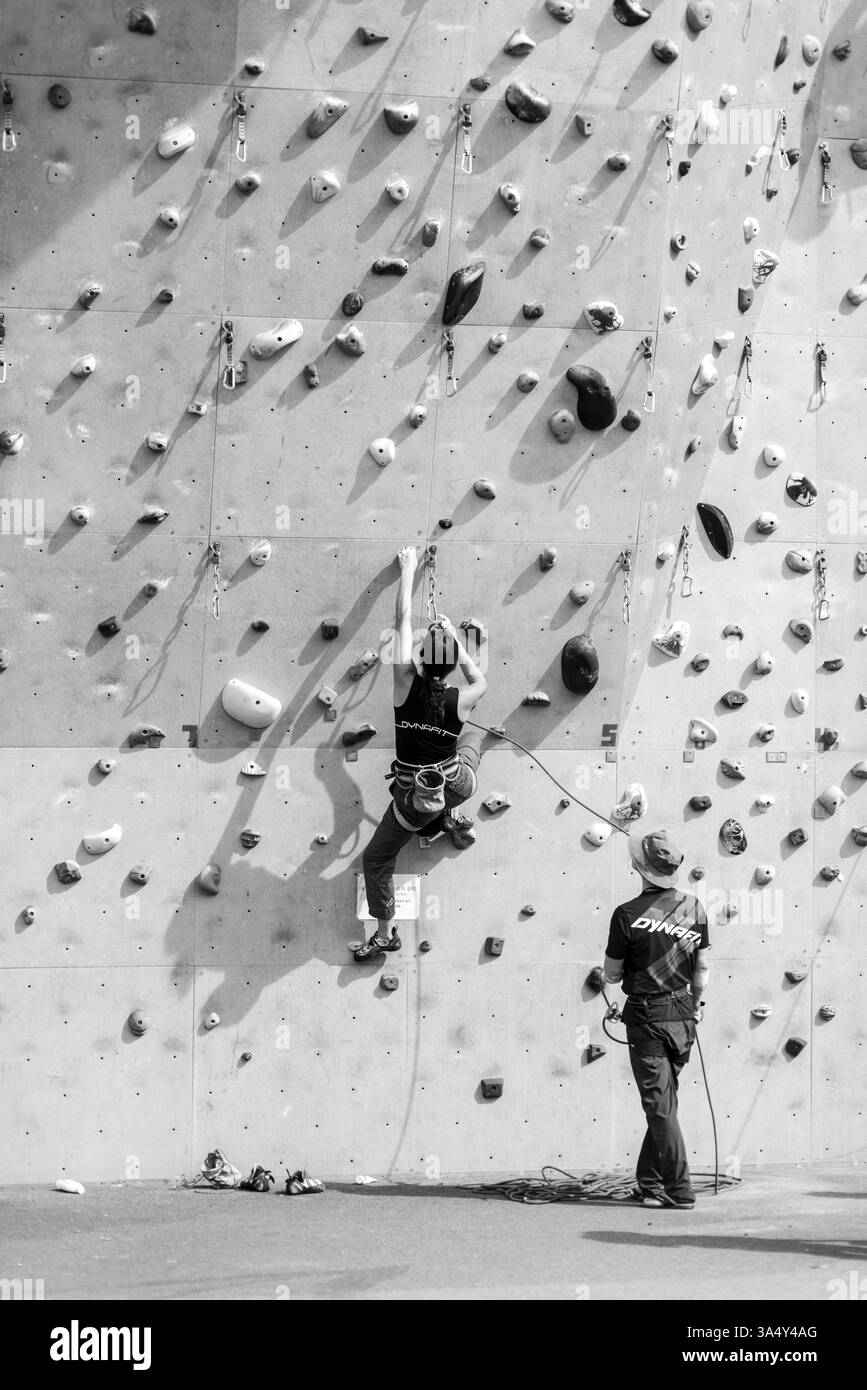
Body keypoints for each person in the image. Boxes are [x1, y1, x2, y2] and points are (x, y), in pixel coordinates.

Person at [354, 546, 488, 961]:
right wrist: (455, 638)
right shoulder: (463, 699)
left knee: (376, 860)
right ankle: (448, 816)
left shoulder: (402, 684)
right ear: (448, 669)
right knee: (473, 742)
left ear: (420, 659)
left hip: (416, 799)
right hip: (458, 783)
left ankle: (384, 934)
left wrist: (408, 569)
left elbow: (400, 621)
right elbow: (478, 675)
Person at [602, 829, 710, 1209]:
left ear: (638, 867)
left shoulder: (626, 914)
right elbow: (702, 968)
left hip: (647, 1019)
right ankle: (649, 1184)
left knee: (659, 1107)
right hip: (683, 1017)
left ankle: (679, 1191)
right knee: (664, 1103)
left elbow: (611, 975)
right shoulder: (694, 907)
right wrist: (695, 1006)